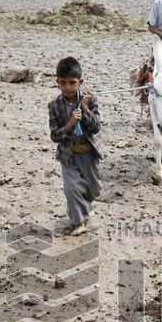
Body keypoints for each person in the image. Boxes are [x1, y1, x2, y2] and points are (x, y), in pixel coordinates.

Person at [48, 57, 101, 236]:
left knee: (93, 189)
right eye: (63, 83)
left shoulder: (90, 101)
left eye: (72, 83)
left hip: (88, 153)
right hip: (68, 154)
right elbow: (55, 136)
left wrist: (85, 109)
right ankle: (78, 222)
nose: (68, 87)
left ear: (81, 82)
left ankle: (84, 212)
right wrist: (70, 124)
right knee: (71, 188)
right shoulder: (54, 105)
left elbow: (96, 128)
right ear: (57, 82)